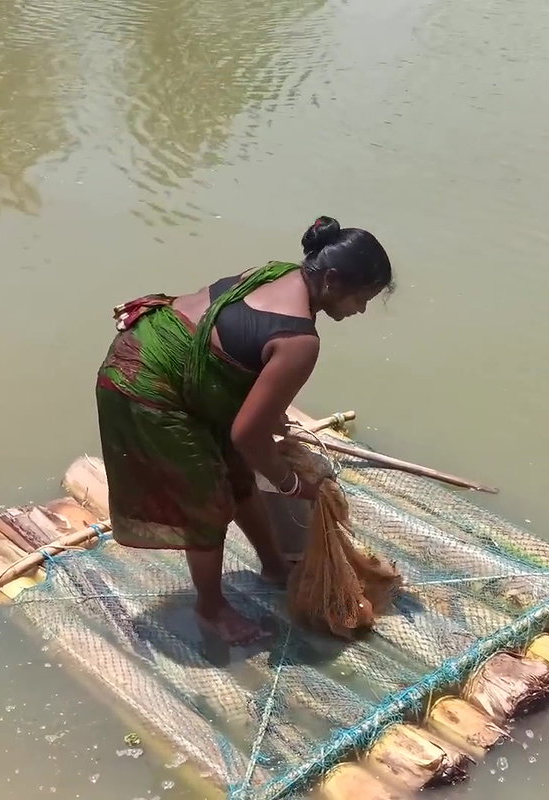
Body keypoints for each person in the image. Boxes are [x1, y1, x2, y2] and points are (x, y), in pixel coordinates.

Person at [93, 215, 395, 645]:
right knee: (207, 499)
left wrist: (267, 420)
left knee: (237, 473)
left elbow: (233, 349)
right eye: (362, 298)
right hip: (145, 383)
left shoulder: (278, 272)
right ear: (331, 280)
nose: (361, 309)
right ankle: (211, 610)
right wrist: (293, 484)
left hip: (171, 359)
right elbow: (246, 436)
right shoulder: (300, 342)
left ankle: (273, 564)